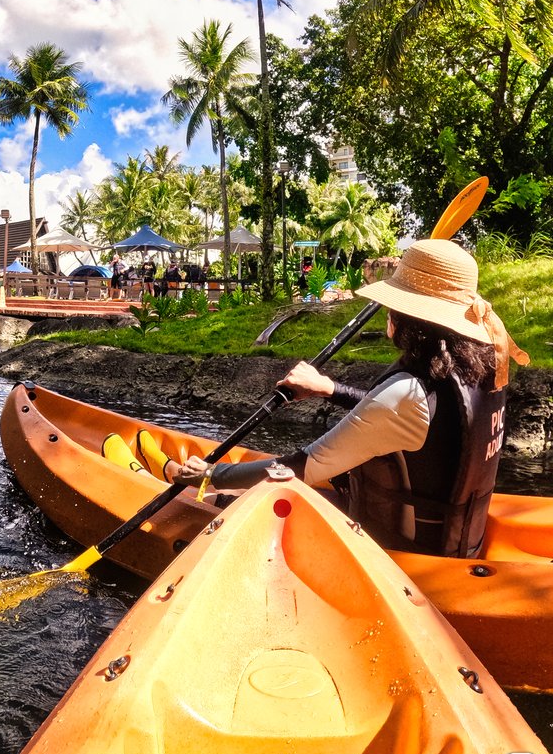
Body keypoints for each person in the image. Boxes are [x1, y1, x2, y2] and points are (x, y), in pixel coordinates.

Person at [170, 239, 528, 558]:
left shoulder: (407, 394)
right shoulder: (479, 370)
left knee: (244, 499)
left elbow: (303, 467)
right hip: (454, 538)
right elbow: (400, 419)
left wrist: (212, 474)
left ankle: (209, 497)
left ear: (406, 317)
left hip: (399, 550)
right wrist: (329, 388)